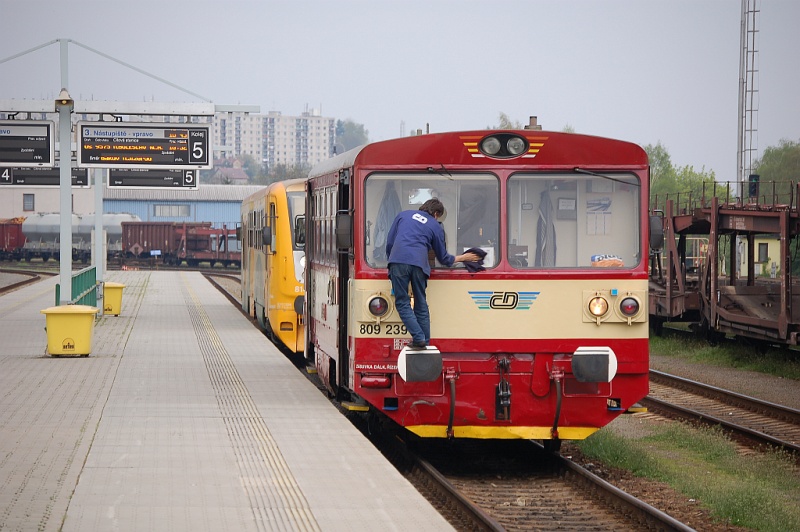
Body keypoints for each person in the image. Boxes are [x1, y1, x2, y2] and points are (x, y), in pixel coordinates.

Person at [386, 198, 480, 349]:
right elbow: (443, 258)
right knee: (421, 304)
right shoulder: (435, 226)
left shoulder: (403, 215)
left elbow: (390, 242)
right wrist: (463, 257)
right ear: (436, 214)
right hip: (419, 265)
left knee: (403, 303)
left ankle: (418, 338)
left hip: (398, 261)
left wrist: (392, 260)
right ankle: (425, 342)